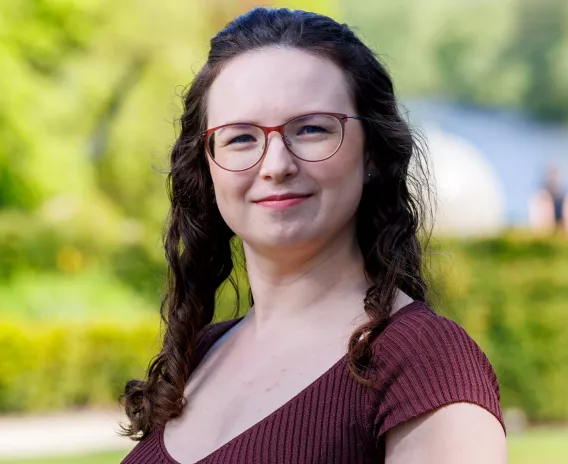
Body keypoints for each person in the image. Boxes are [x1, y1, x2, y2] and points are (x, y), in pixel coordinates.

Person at [120, 7, 507, 464]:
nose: (276, 165)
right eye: (240, 138)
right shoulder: (201, 354)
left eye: (311, 129)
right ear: (207, 167)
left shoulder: (426, 365)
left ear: (373, 155)